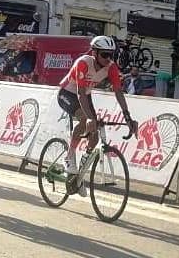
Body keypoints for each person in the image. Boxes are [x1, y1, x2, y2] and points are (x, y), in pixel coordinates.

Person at [56, 35, 136, 189]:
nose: (108, 58)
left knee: (95, 135)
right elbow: (80, 93)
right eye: (105, 54)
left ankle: (78, 175)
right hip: (67, 93)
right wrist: (89, 118)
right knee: (84, 119)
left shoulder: (111, 67)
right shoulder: (83, 63)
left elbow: (118, 92)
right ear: (95, 53)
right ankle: (69, 156)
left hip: (85, 94)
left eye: (111, 55)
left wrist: (127, 116)